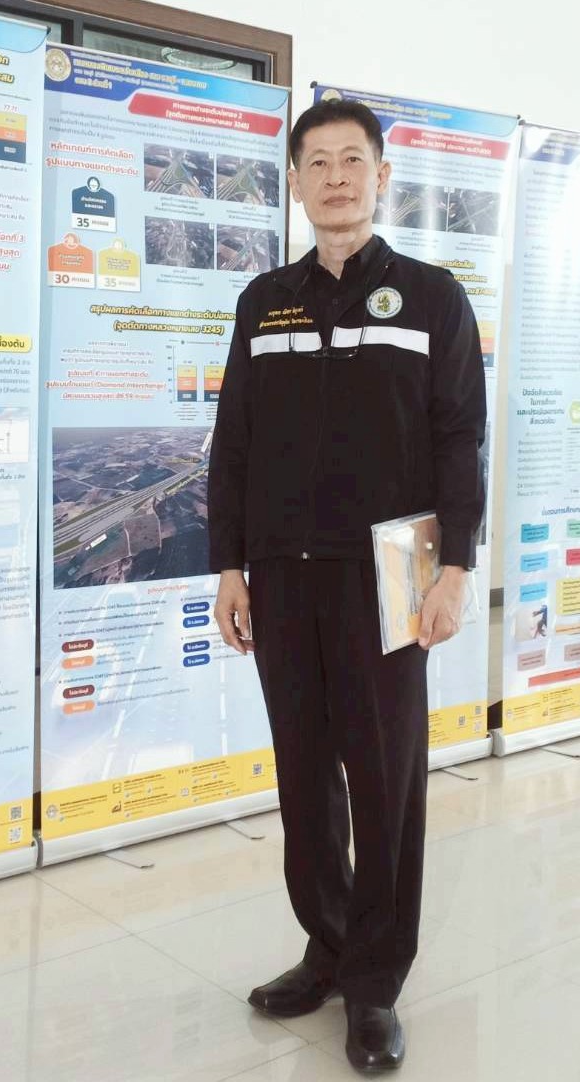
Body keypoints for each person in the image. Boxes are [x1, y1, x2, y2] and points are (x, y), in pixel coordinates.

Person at [208, 98, 485, 1074]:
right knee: (303, 776)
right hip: (283, 575)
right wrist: (229, 565)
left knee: (384, 779)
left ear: (380, 177)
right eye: (316, 162)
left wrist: (456, 567)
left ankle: (374, 982)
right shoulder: (264, 301)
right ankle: (326, 948)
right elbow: (234, 443)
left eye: (351, 160)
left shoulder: (430, 297)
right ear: (293, 182)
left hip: (391, 573)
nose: (334, 177)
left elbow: (459, 438)